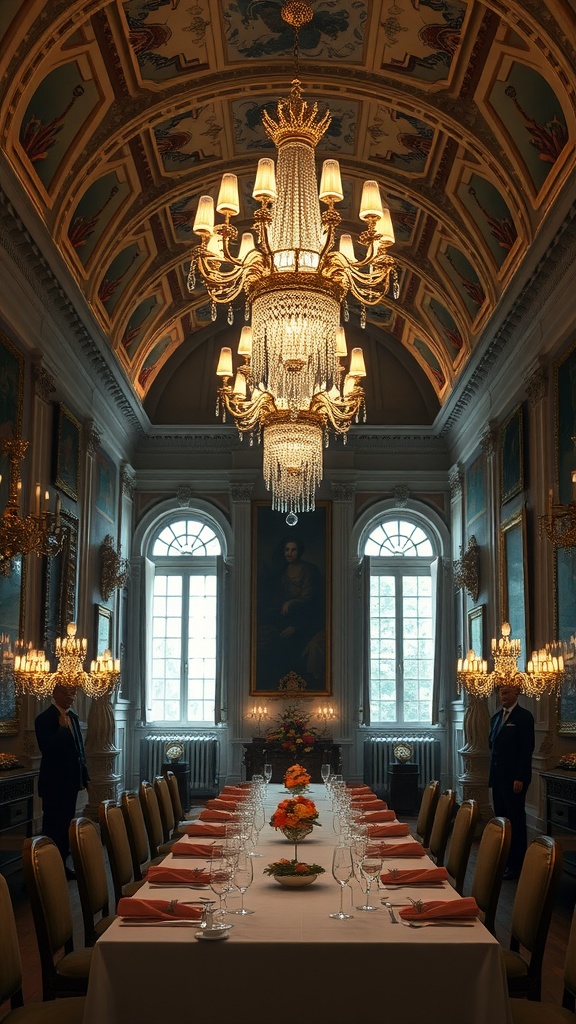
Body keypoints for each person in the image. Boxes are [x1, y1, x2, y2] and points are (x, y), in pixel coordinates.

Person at [35, 682, 90, 879]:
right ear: (56, 694)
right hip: (54, 783)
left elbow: (79, 751)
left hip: (71, 782)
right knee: (52, 825)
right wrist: (60, 730)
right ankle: (48, 866)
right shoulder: (44, 719)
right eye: (67, 693)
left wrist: (84, 776)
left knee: (65, 824)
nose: (71, 697)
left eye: (73, 693)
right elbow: (47, 750)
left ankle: (62, 864)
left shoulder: (73, 717)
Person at [259, 537, 325, 689]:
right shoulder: (282, 574)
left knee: (296, 649)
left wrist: (292, 604)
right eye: (287, 550)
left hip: (305, 620)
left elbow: (310, 599)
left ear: (299, 551)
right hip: (285, 619)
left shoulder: (310, 570)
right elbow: (277, 600)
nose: (289, 553)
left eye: (293, 550)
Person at [489, 683, 535, 879]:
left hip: (514, 779)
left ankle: (517, 865)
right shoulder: (496, 718)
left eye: (507, 691)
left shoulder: (524, 717)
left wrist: (519, 777)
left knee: (515, 820)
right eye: (500, 692)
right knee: (502, 820)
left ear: (517, 692)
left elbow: (527, 750)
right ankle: (505, 861)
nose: (503, 695)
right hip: (498, 778)